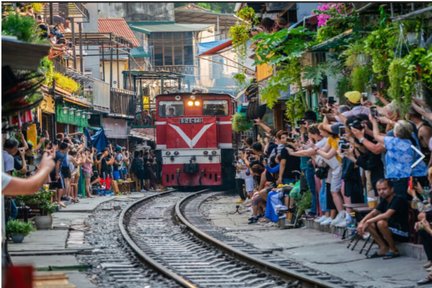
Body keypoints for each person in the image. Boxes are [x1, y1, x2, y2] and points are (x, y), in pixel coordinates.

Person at [357, 179, 409, 259]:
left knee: (381, 223)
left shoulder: (398, 199)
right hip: (391, 229)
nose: (381, 192)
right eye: (379, 190)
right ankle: (383, 248)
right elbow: (373, 213)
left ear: (392, 189)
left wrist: (368, 221)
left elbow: (387, 215)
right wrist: (362, 222)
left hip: (402, 232)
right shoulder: (384, 200)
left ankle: (394, 250)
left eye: (384, 189)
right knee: (369, 224)